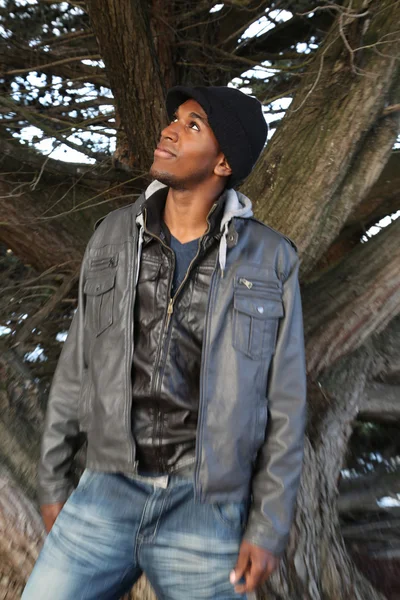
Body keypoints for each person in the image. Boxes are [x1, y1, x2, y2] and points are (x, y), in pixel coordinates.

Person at [21, 85, 307, 600]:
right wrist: (53, 482)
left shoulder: (271, 258)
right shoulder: (111, 234)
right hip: (105, 490)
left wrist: (269, 527)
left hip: (205, 507)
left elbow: (286, 402)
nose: (170, 130)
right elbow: (76, 367)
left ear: (223, 162)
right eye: (173, 118)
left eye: (192, 125)